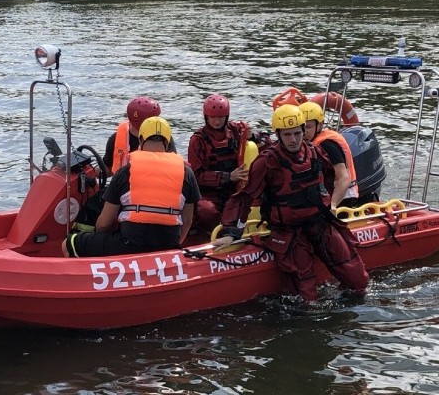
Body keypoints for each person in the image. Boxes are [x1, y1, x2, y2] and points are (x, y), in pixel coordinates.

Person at [214, 104, 369, 303]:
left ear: (304, 131)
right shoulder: (267, 161)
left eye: (297, 133)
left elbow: (331, 178)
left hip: (319, 223)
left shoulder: (314, 152)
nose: (293, 139)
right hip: (288, 232)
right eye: (287, 135)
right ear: (278, 134)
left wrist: (329, 204)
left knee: (358, 280)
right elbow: (245, 196)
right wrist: (231, 233)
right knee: (307, 295)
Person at [63, 116, 200, 258]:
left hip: (129, 243)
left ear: (140, 140)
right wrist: (173, 246)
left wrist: (103, 237)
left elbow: (104, 224)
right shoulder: (186, 173)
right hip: (168, 244)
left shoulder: (126, 171)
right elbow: (187, 220)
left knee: (68, 244)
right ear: (168, 142)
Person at [187, 94, 253, 233]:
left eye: (220, 117)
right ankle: (209, 234)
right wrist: (227, 177)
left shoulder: (236, 130)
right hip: (208, 193)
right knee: (207, 212)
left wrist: (252, 135)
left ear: (227, 116)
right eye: (213, 117)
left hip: (233, 190)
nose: (217, 121)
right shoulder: (197, 141)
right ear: (206, 117)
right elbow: (197, 175)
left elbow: (267, 142)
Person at [299, 101, 358, 211]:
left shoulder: (327, 145)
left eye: (309, 127)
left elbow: (344, 178)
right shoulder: (308, 143)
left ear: (319, 126)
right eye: (301, 127)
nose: (304, 132)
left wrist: (333, 204)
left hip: (342, 198)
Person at [102, 96, 175, 177]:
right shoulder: (115, 139)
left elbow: (172, 166)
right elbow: (107, 168)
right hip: (123, 184)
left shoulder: (163, 138)